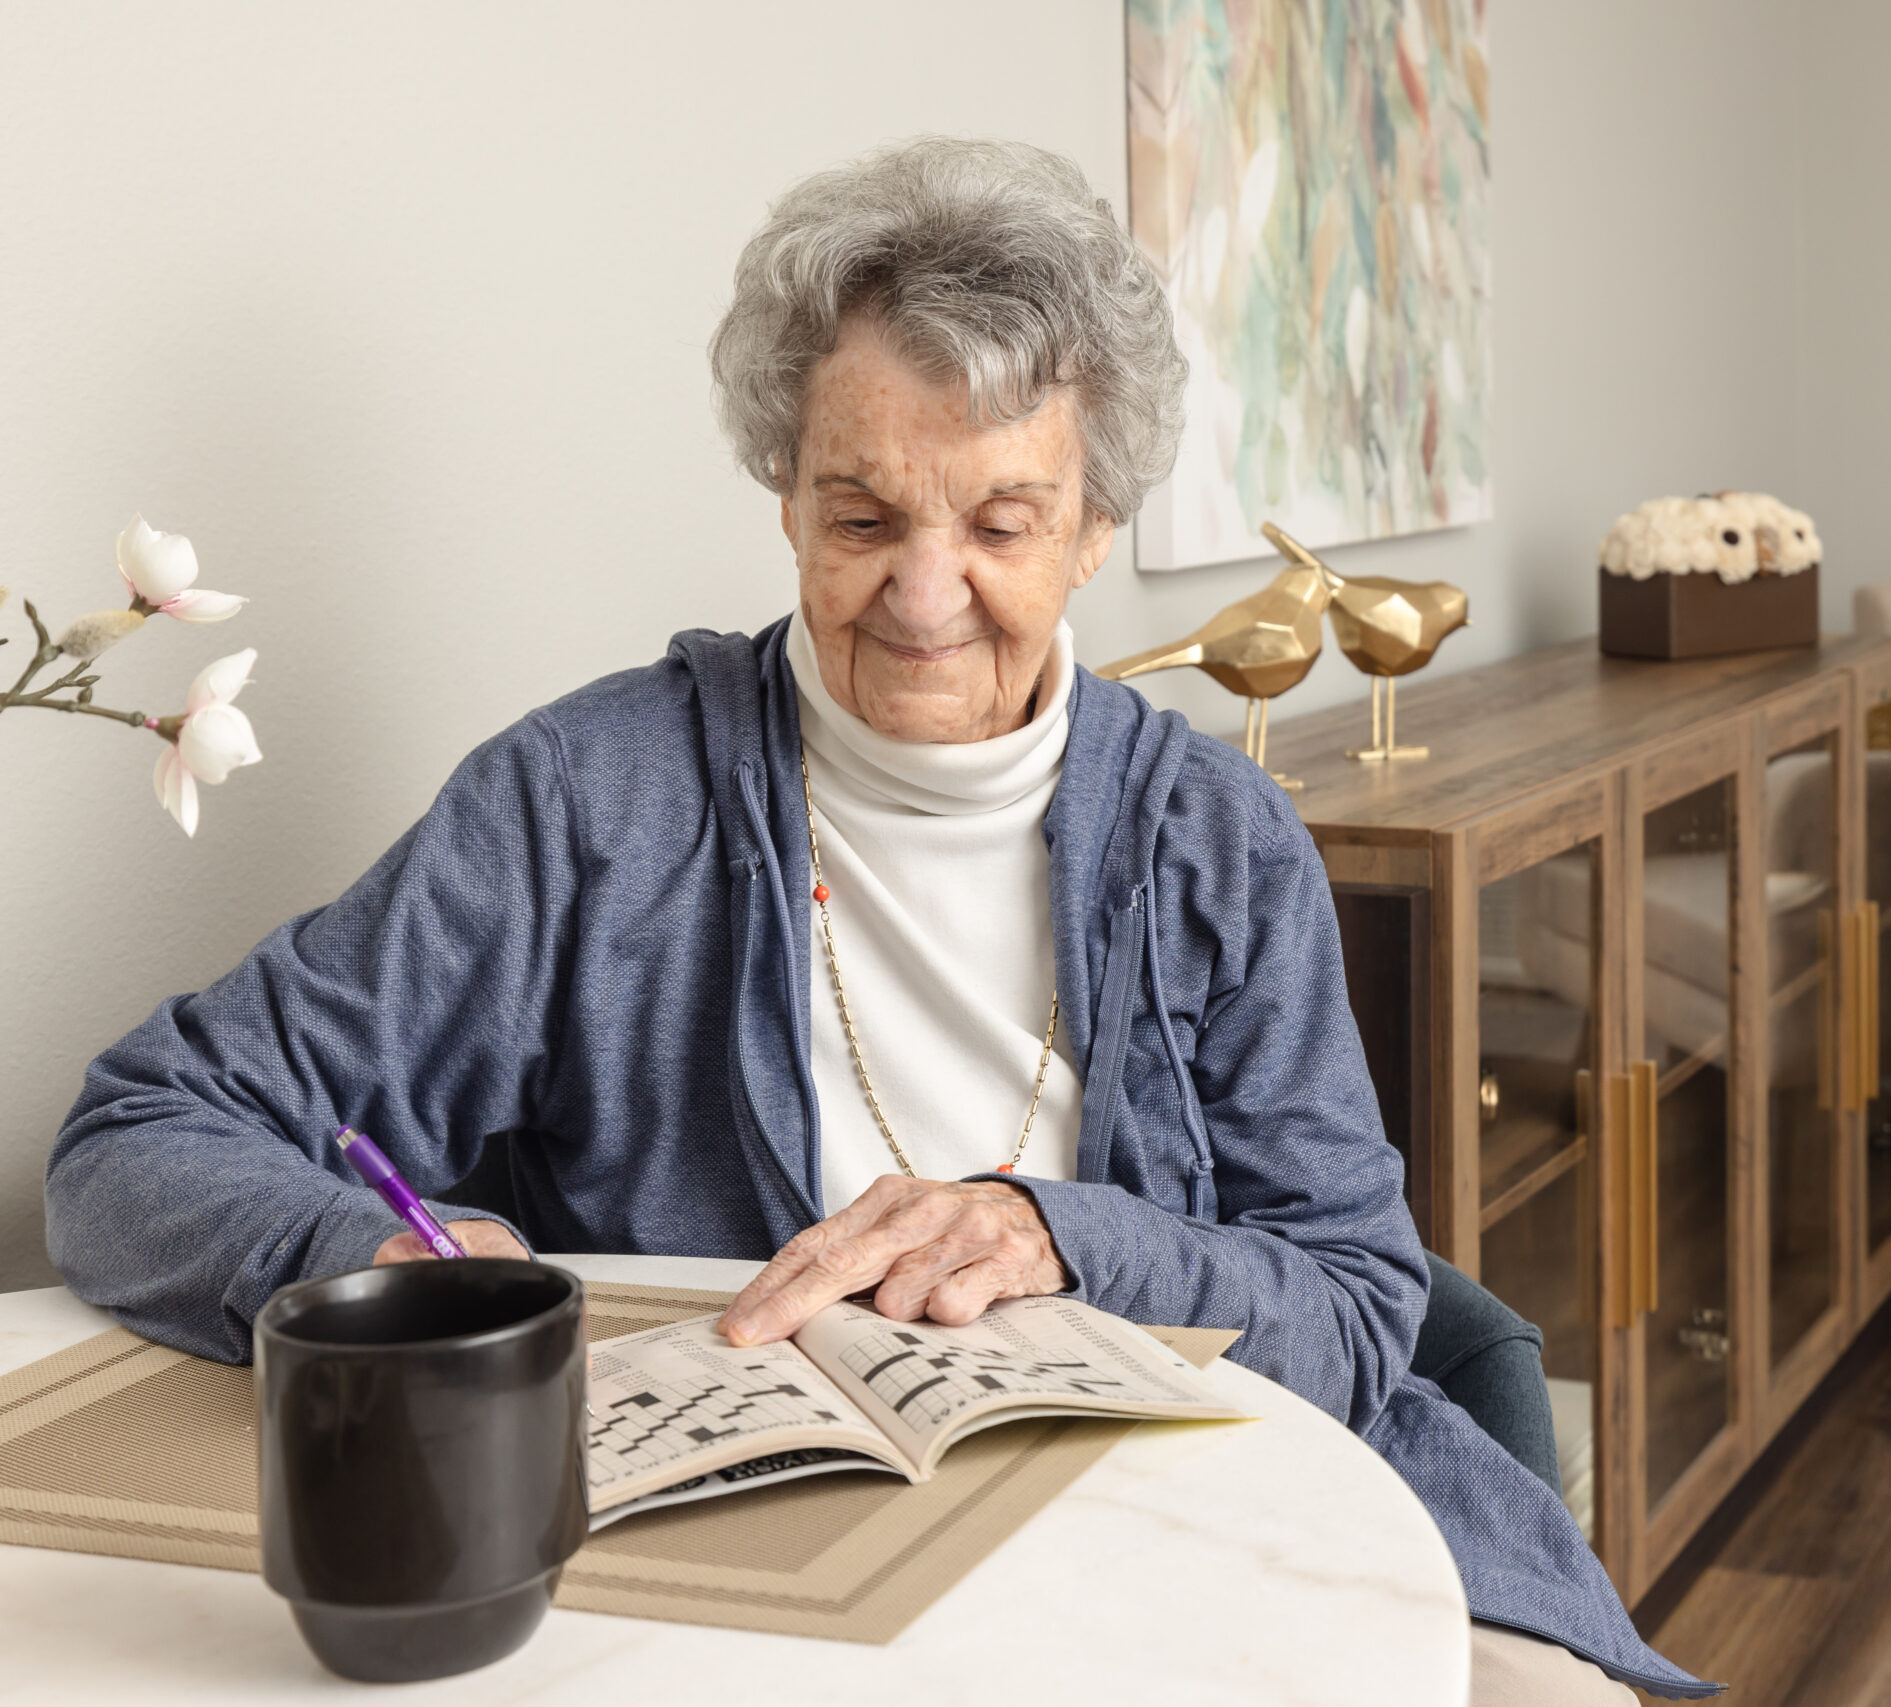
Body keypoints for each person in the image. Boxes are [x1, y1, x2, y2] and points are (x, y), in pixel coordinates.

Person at [46, 137, 1705, 1703]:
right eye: (862, 519)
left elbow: (1354, 1306)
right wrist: (380, 1258)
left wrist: (1062, 1236)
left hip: (1205, 1532)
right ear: (784, 495)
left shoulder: (1222, 840)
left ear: (1095, 533)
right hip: (741, 1583)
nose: (923, 597)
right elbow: (136, 1139)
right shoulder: (584, 803)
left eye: (999, 524)